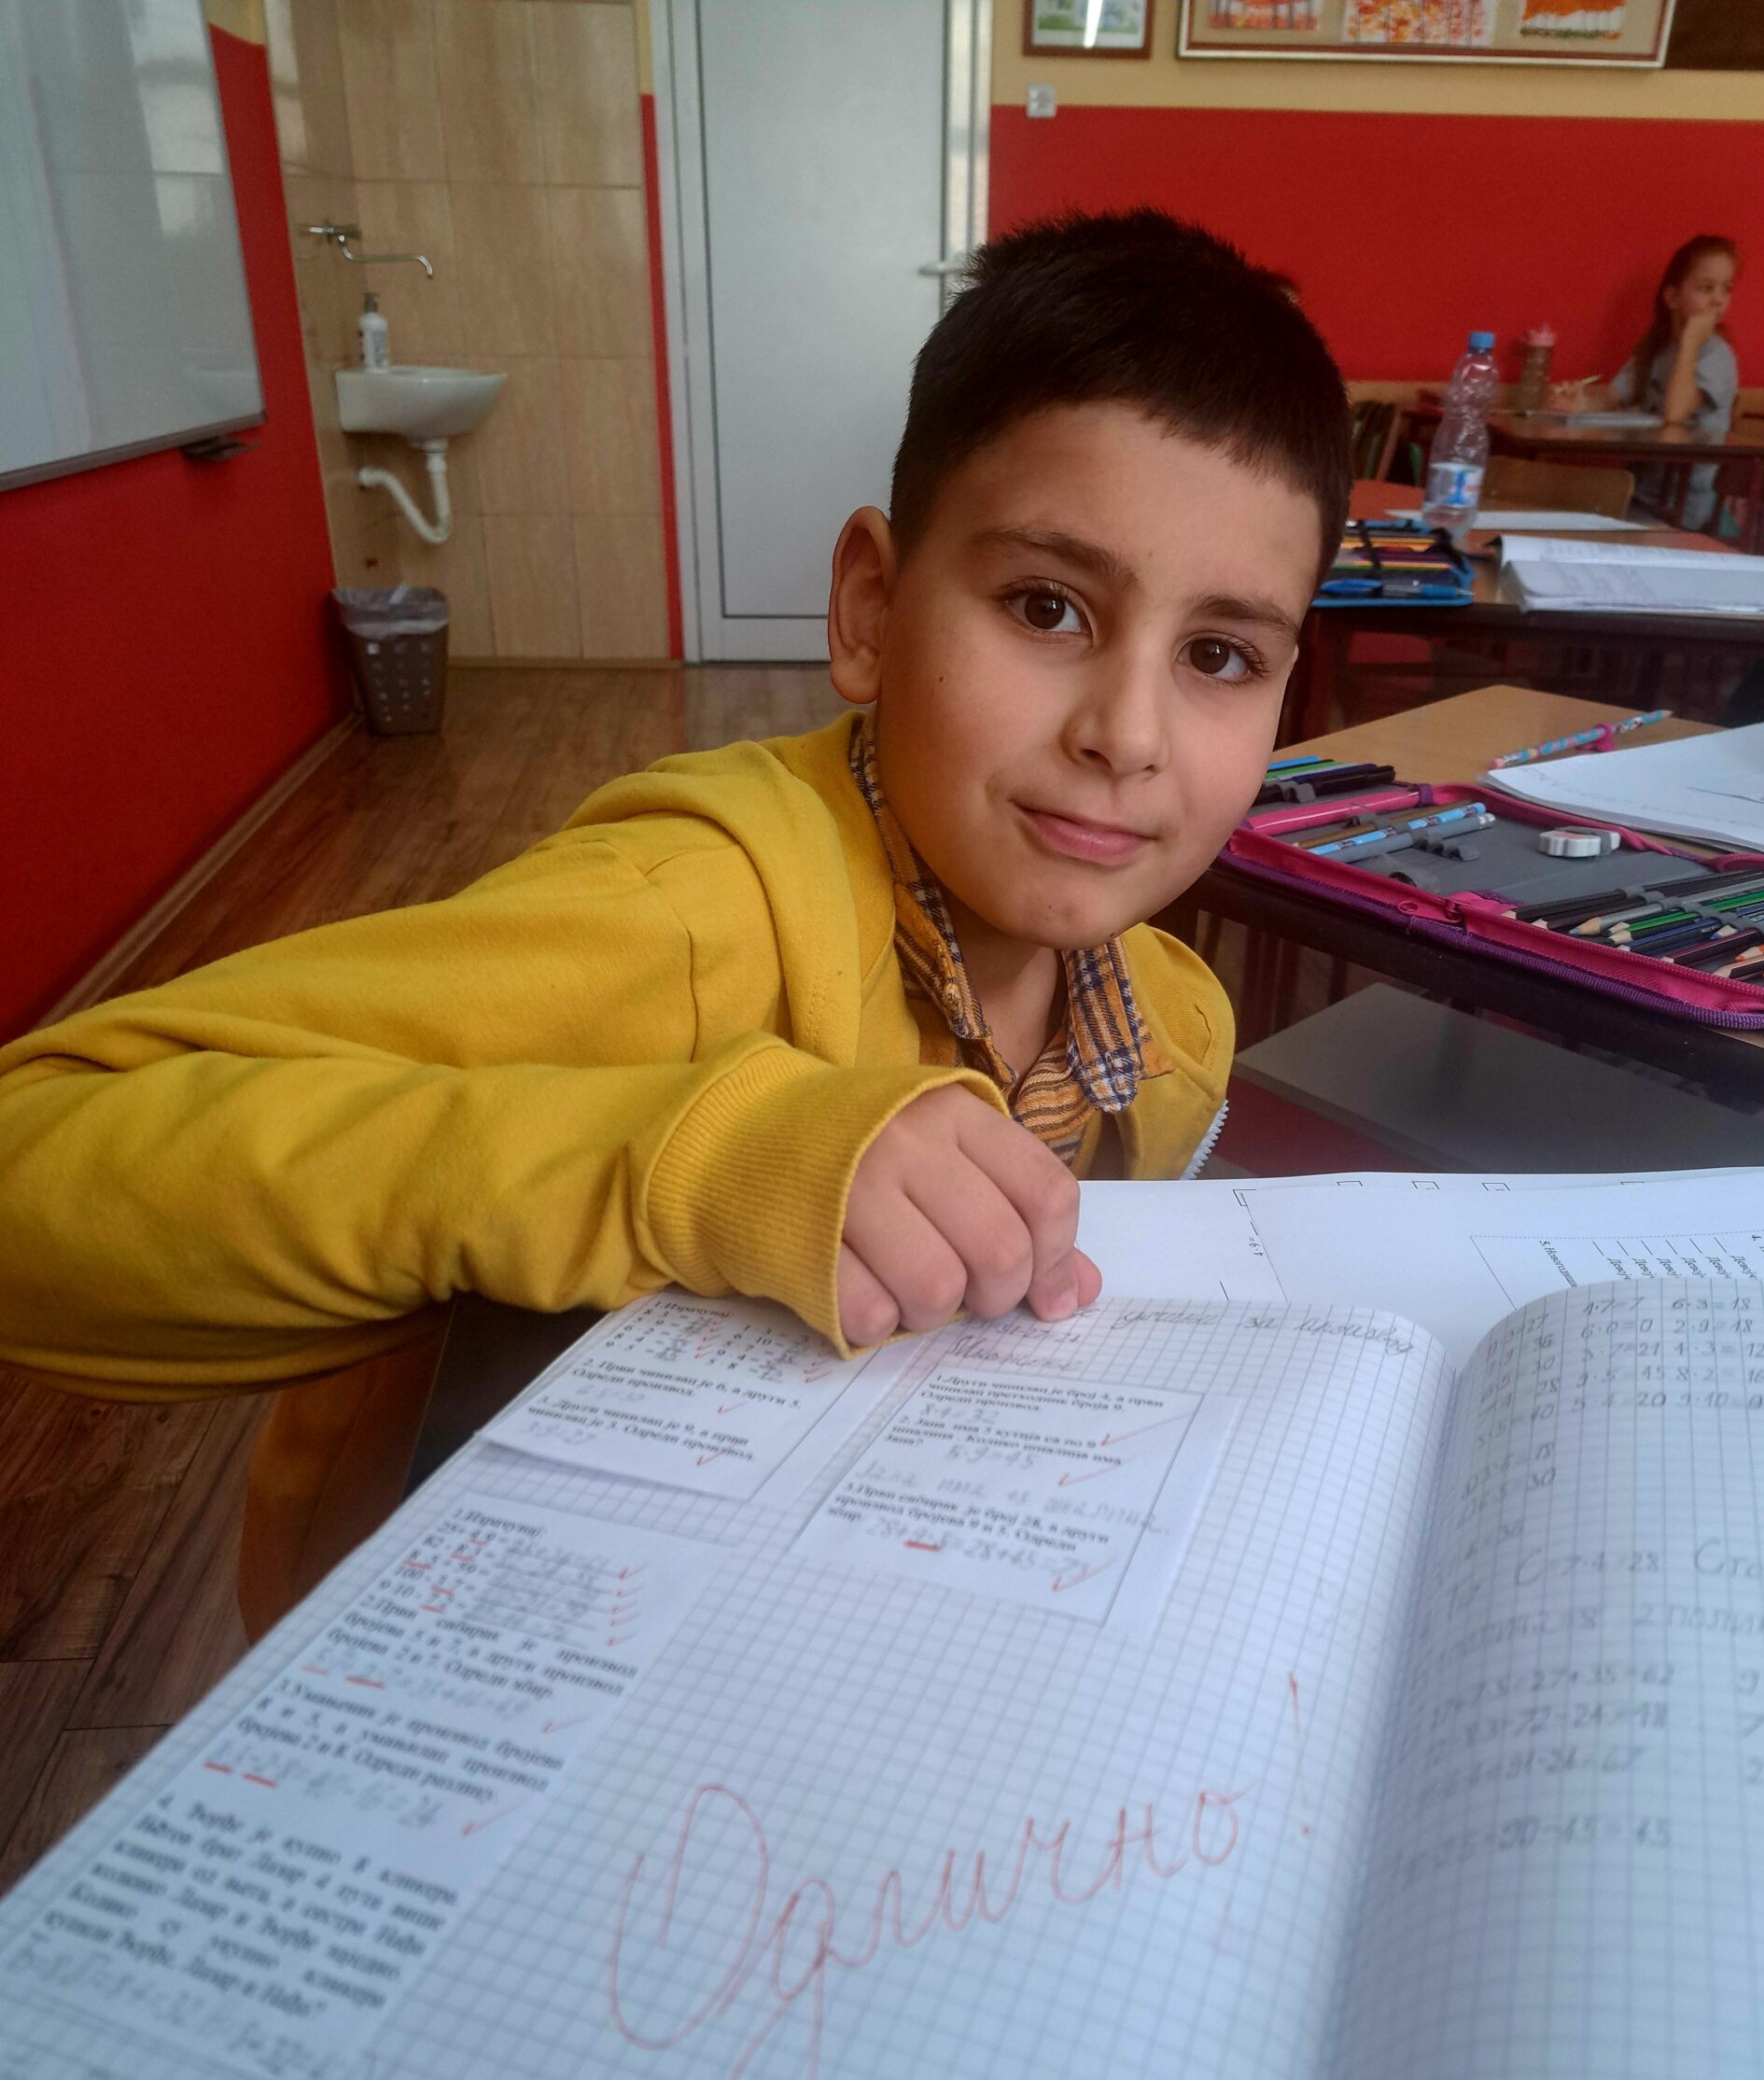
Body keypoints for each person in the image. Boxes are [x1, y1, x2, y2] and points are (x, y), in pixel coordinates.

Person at [0, 210, 1351, 1634]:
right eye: (1047, 606)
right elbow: (41, 1158)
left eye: (1218, 655)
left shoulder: (1175, 1031)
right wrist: (675, 1159)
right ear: (872, 610)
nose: (1127, 735)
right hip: (469, 1647)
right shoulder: (692, 917)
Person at [1558, 233, 1739, 530]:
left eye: (1726, 289)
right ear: (1672, 298)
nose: (1718, 300)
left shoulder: (1717, 355)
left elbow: (1675, 413)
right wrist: (1579, 401)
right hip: (1640, 493)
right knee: (1566, 507)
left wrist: (1690, 343)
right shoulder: (1658, 348)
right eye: (1706, 288)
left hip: (1685, 510)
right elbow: (1613, 395)